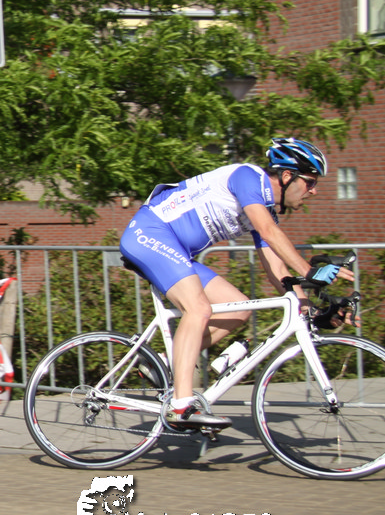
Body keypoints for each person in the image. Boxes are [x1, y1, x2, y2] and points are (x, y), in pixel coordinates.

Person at [119, 137, 353, 430]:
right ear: (287, 176)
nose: (314, 190)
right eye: (310, 182)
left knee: (239, 308)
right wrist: (309, 270)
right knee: (198, 309)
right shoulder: (248, 177)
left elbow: (277, 269)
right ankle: (180, 407)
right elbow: (268, 232)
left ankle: (165, 363)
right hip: (149, 233)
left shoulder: (264, 209)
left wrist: (309, 310)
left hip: (175, 249)